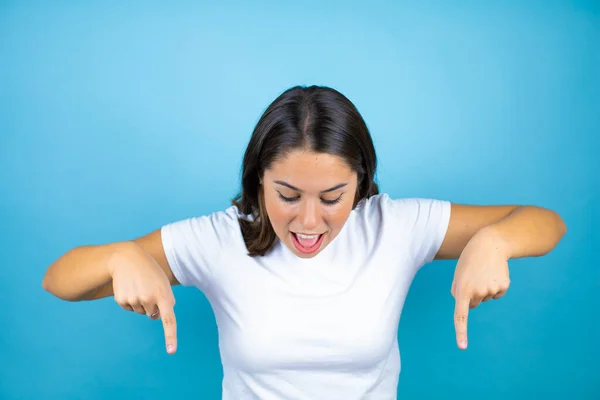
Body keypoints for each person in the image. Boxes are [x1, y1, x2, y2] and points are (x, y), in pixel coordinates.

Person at [42, 85, 566, 399]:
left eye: (333, 196)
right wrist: (121, 256)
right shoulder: (219, 238)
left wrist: (494, 241)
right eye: (288, 195)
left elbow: (545, 222)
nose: (309, 221)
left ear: (360, 181)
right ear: (258, 180)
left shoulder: (397, 226)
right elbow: (60, 280)